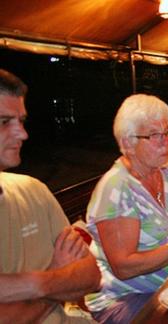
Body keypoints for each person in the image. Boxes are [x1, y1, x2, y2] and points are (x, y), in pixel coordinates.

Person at [85, 94, 168, 323]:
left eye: (167, 133)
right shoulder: (117, 188)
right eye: (154, 135)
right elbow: (123, 266)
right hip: (125, 298)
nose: (165, 142)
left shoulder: (165, 175)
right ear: (127, 144)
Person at [0, 69, 100, 323]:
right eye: (4, 122)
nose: (22, 134)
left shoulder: (32, 190)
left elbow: (91, 275)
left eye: (21, 121)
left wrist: (33, 284)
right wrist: (57, 276)